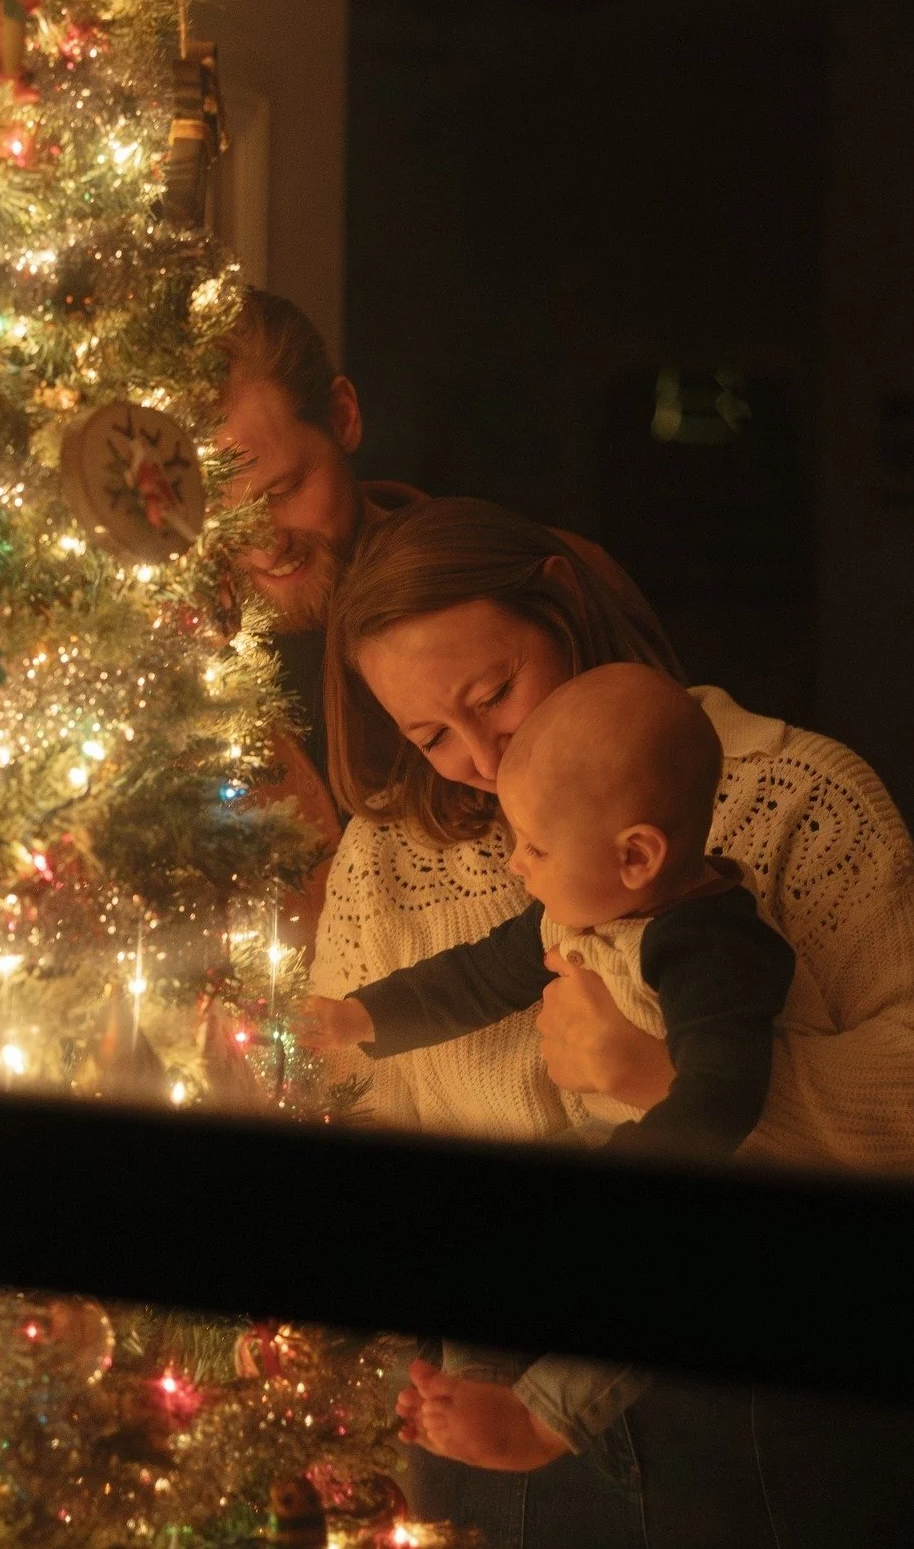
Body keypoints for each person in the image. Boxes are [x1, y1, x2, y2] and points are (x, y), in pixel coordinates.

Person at [311, 494, 914, 1545]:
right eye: (429, 734)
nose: (481, 757)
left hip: (756, 1414)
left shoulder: (798, 800)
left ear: (562, 605)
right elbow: (363, 1102)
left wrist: (650, 1074)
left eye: (493, 694)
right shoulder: (388, 857)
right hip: (489, 1420)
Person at [213, 290, 656, 952]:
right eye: (223, 517)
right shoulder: (174, 681)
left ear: (342, 417)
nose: (262, 544)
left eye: (282, 491)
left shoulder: (547, 584)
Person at [303, 661, 819, 1166]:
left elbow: (719, 1101)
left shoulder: (713, 950)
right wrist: (361, 1016)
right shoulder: (588, 910)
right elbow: (476, 978)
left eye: (537, 848)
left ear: (636, 857)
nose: (515, 862)